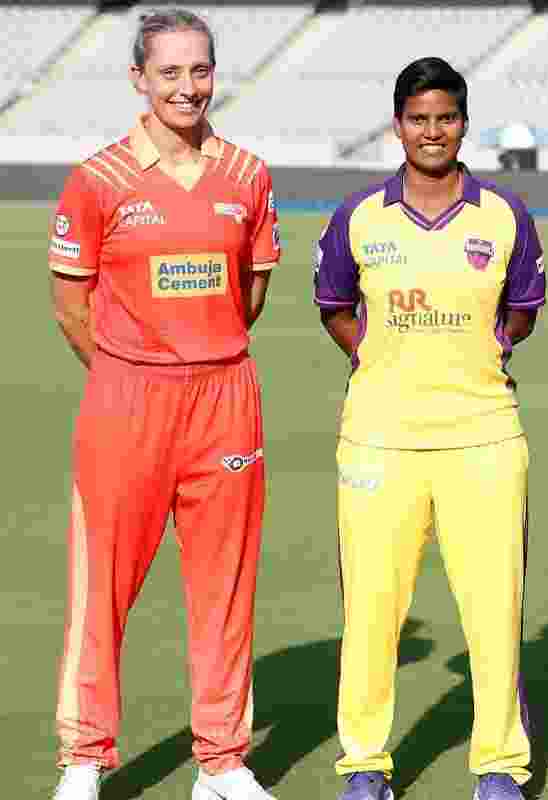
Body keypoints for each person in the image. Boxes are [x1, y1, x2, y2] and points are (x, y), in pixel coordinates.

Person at [47, 9, 280, 800]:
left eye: (201, 70)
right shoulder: (99, 177)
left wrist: (200, 352)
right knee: (101, 585)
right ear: (139, 79)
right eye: (171, 72)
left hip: (224, 397)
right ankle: (85, 757)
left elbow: (251, 289)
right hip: (127, 398)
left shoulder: (247, 173)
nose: (189, 86)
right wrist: (133, 366)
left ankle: (221, 760)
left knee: (225, 583)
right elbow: (70, 302)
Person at [312, 56, 544, 800]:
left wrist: (486, 352)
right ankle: (365, 765)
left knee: (493, 611)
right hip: (379, 438)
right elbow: (335, 304)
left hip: (484, 436)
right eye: (419, 118)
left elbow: (523, 309)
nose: (433, 131)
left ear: (463, 124)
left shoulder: (504, 214)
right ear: (398, 125)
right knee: (372, 615)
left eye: (445, 118)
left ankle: (501, 765)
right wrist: (375, 356)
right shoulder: (359, 216)